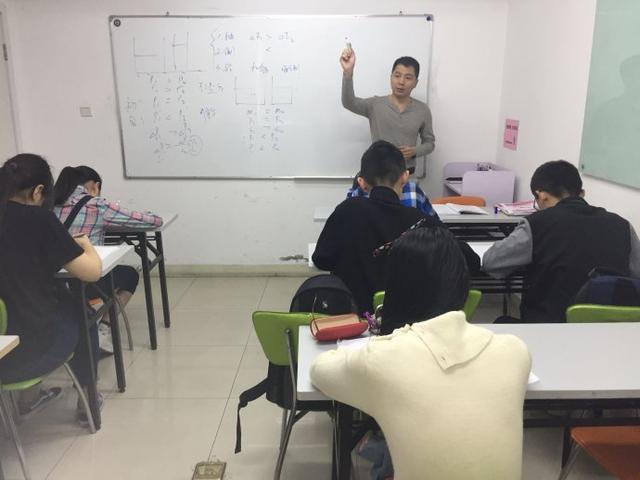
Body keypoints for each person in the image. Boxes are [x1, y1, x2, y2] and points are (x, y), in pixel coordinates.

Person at [310, 227, 531, 480]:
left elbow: (319, 370)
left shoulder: (382, 358)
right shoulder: (515, 351)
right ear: (463, 284)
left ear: (395, 289)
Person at [312, 141, 478, 314]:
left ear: (361, 182)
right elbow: (471, 262)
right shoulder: (421, 221)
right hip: (410, 321)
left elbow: (321, 259)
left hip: (352, 320)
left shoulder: (347, 210)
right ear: (405, 177)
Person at [0, 154, 102, 419]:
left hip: (3, 349)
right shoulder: (38, 219)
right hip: (29, 354)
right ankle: (89, 399)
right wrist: (86, 245)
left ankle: (30, 399)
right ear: (38, 191)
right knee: (83, 313)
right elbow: (91, 272)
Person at [483, 160, 640, 323]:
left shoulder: (537, 224)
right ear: (582, 193)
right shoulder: (623, 225)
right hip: (610, 328)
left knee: (501, 322)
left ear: (542, 196)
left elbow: (491, 262)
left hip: (547, 326)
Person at [53, 166, 163, 353]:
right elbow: (154, 221)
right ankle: (103, 331)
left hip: (52, 285)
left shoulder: (47, 204)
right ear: (95, 186)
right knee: (130, 275)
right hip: (86, 280)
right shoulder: (97, 205)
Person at [340, 48, 435, 174]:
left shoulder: (422, 110)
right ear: (391, 77)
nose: (401, 82)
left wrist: (415, 151)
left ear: (415, 83)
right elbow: (349, 102)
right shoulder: (375, 104)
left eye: (408, 78)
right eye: (397, 76)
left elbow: (430, 143)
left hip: (406, 171)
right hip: (378, 170)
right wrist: (348, 74)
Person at [347, 172, 439, 218]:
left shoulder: (356, 196)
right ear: (405, 176)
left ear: (362, 182)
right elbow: (436, 225)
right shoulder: (413, 190)